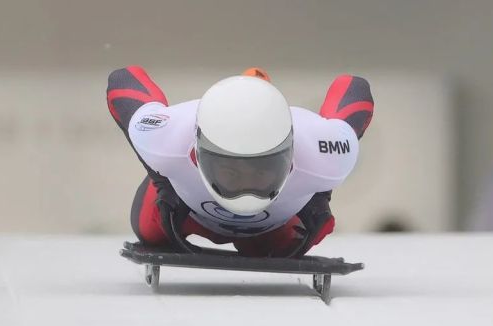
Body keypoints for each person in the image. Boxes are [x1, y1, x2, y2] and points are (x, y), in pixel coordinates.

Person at [106, 66, 374, 257]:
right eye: (231, 172)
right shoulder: (168, 137)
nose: (246, 185)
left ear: (289, 154)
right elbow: (122, 78)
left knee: (287, 240)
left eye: (260, 171)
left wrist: (321, 192)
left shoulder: (323, 150)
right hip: (205, 214)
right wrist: (161, 179)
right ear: (197, 153)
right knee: (150, 229)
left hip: (264, 228)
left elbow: (123, 79)